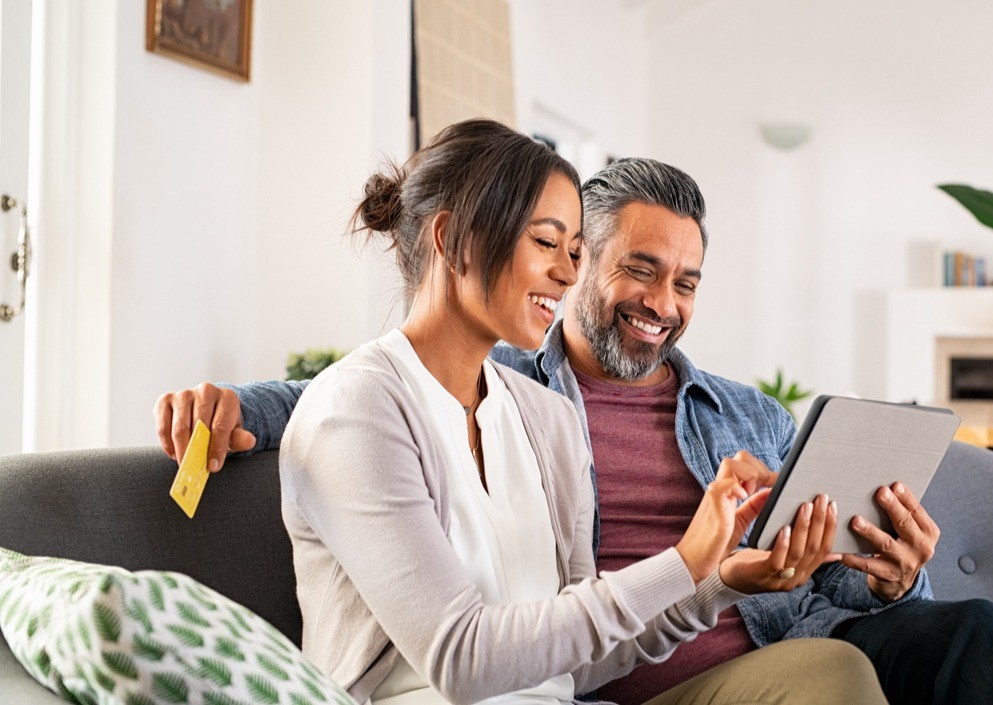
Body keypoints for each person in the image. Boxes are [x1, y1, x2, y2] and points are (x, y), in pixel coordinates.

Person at [155, 156, 993, 705]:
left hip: (775, 638)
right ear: (574, 256)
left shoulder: (745, 410)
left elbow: (812, 576)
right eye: (640, 269)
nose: (661, 304)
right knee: (829, 673)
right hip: (633, 667)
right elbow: (351, 389)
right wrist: (234, 407)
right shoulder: (507, 382)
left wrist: (887, 575)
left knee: (979, 638)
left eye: (685, 283)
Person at [233, 118, 885, 705]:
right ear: (453, 238)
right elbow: (461, 659)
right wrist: (685, 560)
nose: (569, 272)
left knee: (835, 670)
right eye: (548, 242)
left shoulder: (546, 419)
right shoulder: (356, 410)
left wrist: (720, 581)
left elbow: (584, 664)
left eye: (576, 248)